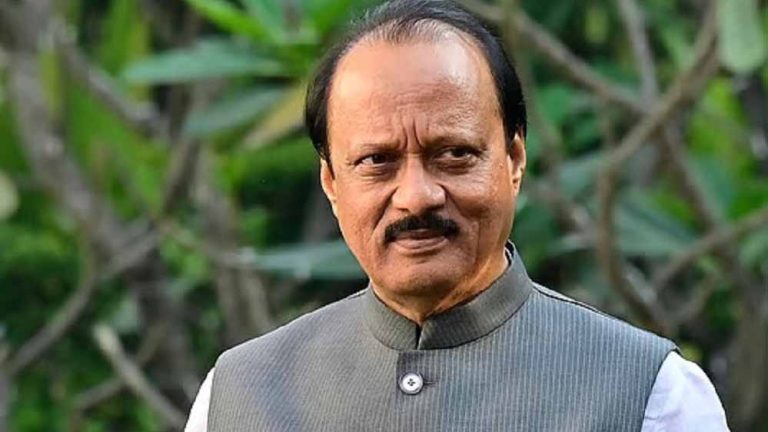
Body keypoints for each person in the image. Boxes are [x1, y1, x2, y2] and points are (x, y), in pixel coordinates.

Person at [185, 1, 729, 430]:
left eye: (454, 154)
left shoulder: (648, 394)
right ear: (331, 182)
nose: (416, 196)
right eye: (377, 162)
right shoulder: (239, 397)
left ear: (514, 159)